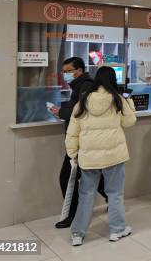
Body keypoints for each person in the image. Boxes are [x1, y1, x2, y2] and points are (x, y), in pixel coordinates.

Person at [65, 66, 137, 246]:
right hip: (114, 156)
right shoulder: (118, 99)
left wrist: (73, 153)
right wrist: (130, 101)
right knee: (115, 194)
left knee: (86, 195)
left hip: (89, 158)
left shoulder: (82, 101)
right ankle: (117, 230)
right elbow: (130, 121)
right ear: (112, 80)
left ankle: (77, 234)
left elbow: (72, 132)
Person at [51, 57, 106, 229]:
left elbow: (80, 112)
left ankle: (72, 216)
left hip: (83, 141)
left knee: (68, 178)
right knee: (92, 175)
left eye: (68, 71)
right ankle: (113, 198)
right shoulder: (78, 86)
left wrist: (61, 112)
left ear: (80, 70)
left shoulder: (86, 86)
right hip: (79, 140)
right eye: (64, 71)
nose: (65, 75)